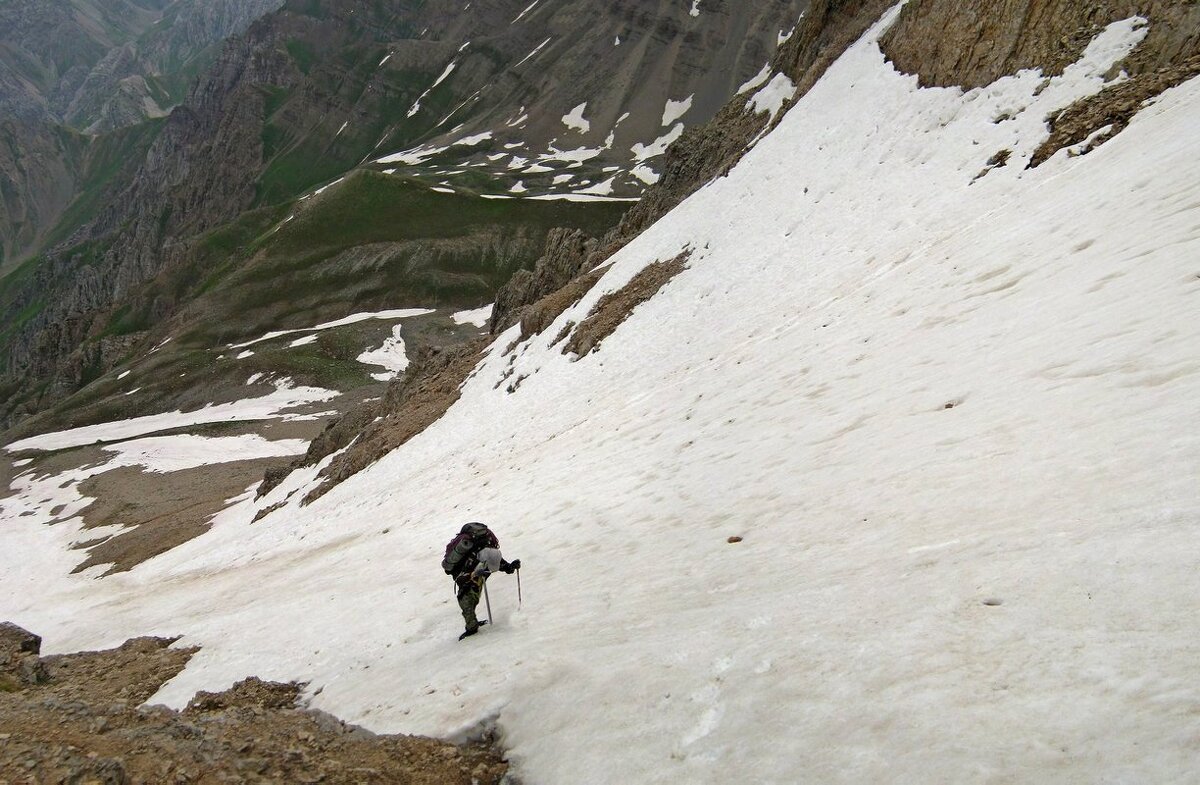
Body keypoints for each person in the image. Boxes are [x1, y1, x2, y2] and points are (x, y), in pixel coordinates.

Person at [442, 522, 520, 640]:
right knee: (468, 599)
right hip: (470, 577)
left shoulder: (485, 552)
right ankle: (472, 626)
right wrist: (474, 574)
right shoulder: (476, 557)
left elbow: (497, 562)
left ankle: (472, 627)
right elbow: (461, 577)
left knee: (469, 600)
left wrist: (509, 567)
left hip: (475, 576)